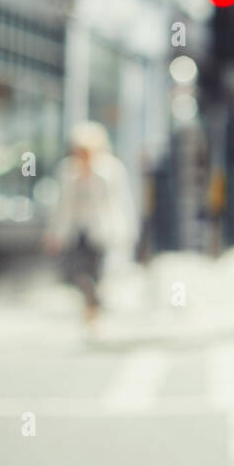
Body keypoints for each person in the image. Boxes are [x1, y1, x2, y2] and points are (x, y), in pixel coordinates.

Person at [42, 121, 139, 334]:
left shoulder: (111, 170)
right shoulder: (67, 170)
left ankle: (92, 313)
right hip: (76, 232)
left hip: (101, 232)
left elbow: (121, 202)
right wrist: (54, 233)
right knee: (77, 273)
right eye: (77, 150)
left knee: (96, 274)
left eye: (85, 150)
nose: (80, 155)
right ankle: (91, 307)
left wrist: (128, 231)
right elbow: (62, 206)